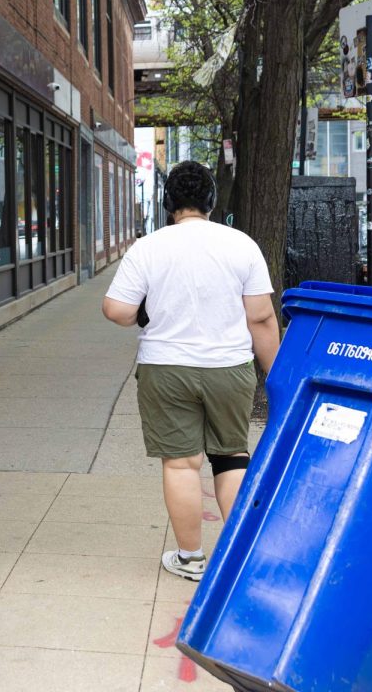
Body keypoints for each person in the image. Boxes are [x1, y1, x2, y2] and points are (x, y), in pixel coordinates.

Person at [101, 160, 280, 581]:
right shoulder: (241, 245)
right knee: (231, 457)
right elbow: (261, 318)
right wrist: (277, 376)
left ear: (168, 202)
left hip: (166, 368)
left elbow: (116, 310)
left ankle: (190, 558)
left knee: (181, 464)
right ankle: (237, 560)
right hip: (228, 367)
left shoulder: (148, 247)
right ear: (212, 201)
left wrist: (142, 316)